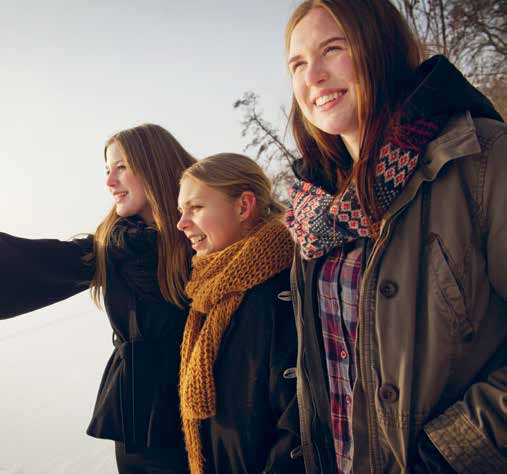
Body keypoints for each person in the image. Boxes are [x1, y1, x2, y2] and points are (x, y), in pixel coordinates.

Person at [284, 1, 507, 472]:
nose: (314, 76)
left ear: (380, 50)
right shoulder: (310, 209)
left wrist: (451, 451)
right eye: (298, 63)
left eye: (333, 49)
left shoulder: (481, 160)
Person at [0, 124, 196, 473]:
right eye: (107, 170)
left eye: (122, 167)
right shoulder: (111, 249)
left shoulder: (212, 237)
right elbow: (28, 263)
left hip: (218, 412)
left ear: (155, 164)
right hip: (142, 424)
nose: (109, 182)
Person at [176, 153, 305, 474]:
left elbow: (300, 420)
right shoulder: (212, 293)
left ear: (244, 206)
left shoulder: (281, 289)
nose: (181, 223)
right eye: (181, 211)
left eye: (196, 207)